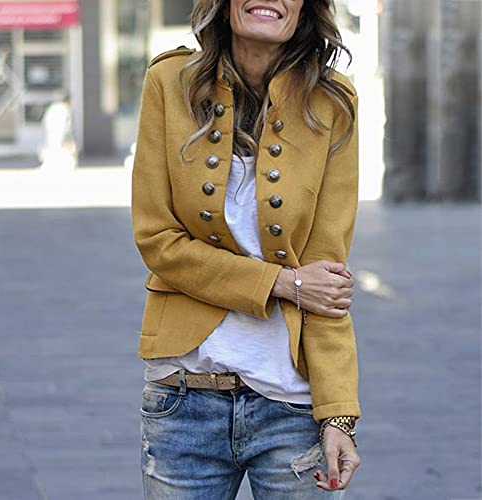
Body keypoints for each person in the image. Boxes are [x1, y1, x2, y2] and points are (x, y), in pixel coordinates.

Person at [131, 1, 361, 498]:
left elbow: (326, 279)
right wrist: (281, 283)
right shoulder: (169, 83)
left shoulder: (333, 103)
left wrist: (339, 413)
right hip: (184, 399)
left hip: (292, 409)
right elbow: (158, 240)